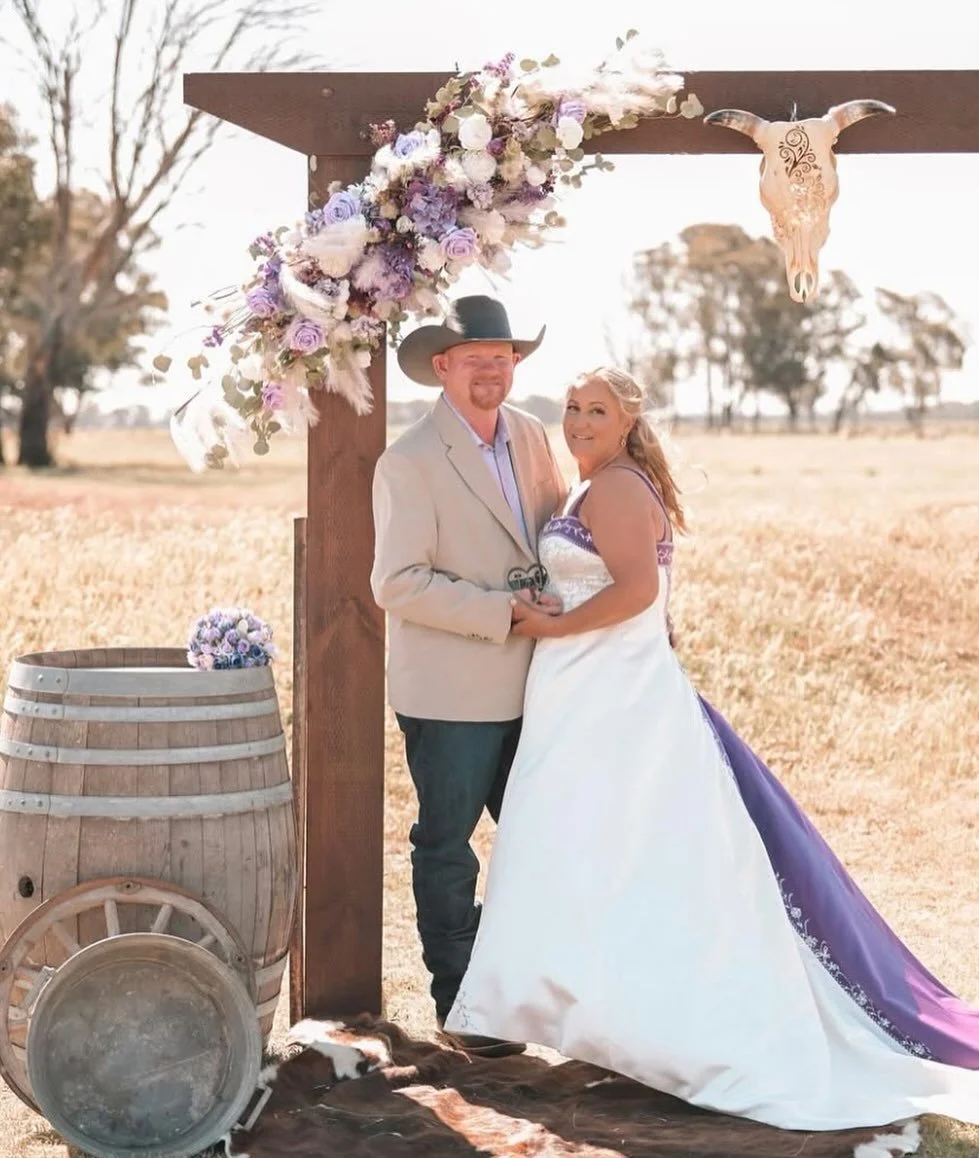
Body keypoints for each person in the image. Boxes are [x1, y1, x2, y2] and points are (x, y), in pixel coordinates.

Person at [443, 364, 979, 1131]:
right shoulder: (596, 485)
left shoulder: (619, 487)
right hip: (587, 694)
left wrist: (550, 626)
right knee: (583, 852)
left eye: (596, 410)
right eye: (570, 408)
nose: (579, 422)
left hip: (613, 702)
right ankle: (585, 1011)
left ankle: (653, 1024)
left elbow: (631, 591)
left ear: (627, 418)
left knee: (621, 854)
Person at [370, 294, 567, 1057]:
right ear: (442, 368)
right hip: (450, 689)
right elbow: (397, 583)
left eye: (504, 355)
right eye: (475, 357)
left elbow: (552, 537)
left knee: (539, 840)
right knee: (447, 844)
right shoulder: (409, 460)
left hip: (538, 682)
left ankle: (520, 990)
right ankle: (463, 1006)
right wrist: (501, 611)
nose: (492, 368)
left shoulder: (530, 434)